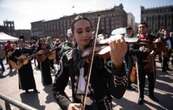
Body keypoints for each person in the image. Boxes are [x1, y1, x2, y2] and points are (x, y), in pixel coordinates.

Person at [53, 16, 128, 110]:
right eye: (79, 32)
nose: (85, 35)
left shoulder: (103, 54)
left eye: (88, 30)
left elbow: (118, 93)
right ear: (73, 35)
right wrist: (68, 105)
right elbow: (57, 89)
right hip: (79, 106)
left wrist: (118, 65)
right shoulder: (67, 57)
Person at [136, 22, 159, 104]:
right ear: (138, 29)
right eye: (140, 27)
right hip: (140, 64)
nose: (141, 29)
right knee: (141, 82)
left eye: (143, 27)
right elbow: (131, 51)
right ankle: (141, 97)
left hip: (151, 63)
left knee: (151, 80)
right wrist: (139, 50)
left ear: (147, 28)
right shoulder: (136, 39)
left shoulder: (152, 37)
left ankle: (151, 94)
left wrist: (155, 51)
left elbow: (158, 47)